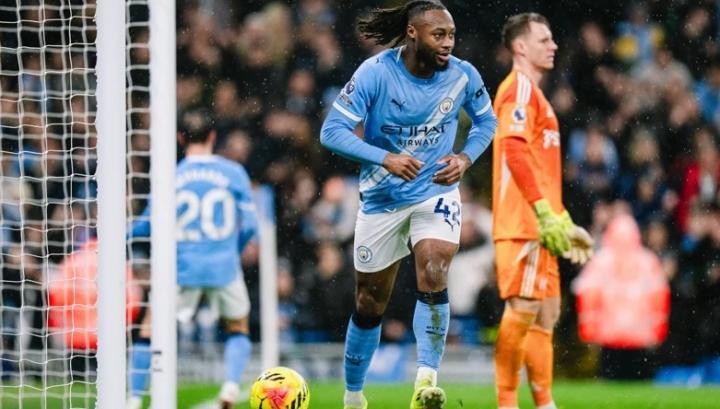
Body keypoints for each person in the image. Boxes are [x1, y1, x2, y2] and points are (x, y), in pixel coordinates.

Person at [319, 1, 497, 408]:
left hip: (435, 191)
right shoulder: (376, 73)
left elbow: (487, 121)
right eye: (439, 35)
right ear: (413, 33)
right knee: (369, 303)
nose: (448, 43)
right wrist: (385, 158)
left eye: (451, 35)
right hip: (381, 200)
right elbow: (332, 131)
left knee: (434, 268)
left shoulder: (463, 75)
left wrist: (465, 158)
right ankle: (353, 395)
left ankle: (425, 383)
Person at [491, 13, 594, 409]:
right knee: (523, 308)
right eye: (544, 40)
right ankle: (506, 403)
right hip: (522, 222)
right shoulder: (518, 89)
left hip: (541, 223)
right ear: (520, 47)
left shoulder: (536, 95)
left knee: (546, 313)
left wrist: (562, 221)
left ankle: (544, 403)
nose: (553, 46)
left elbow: (541, 169)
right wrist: (542, 212)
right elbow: (514, 151)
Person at [127, 111, 258, 409]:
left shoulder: (169, 175)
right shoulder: (234, 172)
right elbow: (250, 225)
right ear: (212, 137)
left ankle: (133, 398)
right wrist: (232, 250)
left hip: (181, 267)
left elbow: (146, 225)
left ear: (180, 138)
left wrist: (117, 235)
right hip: (223, 267)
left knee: (149, 328)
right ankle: (230, 387)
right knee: (238, 326)